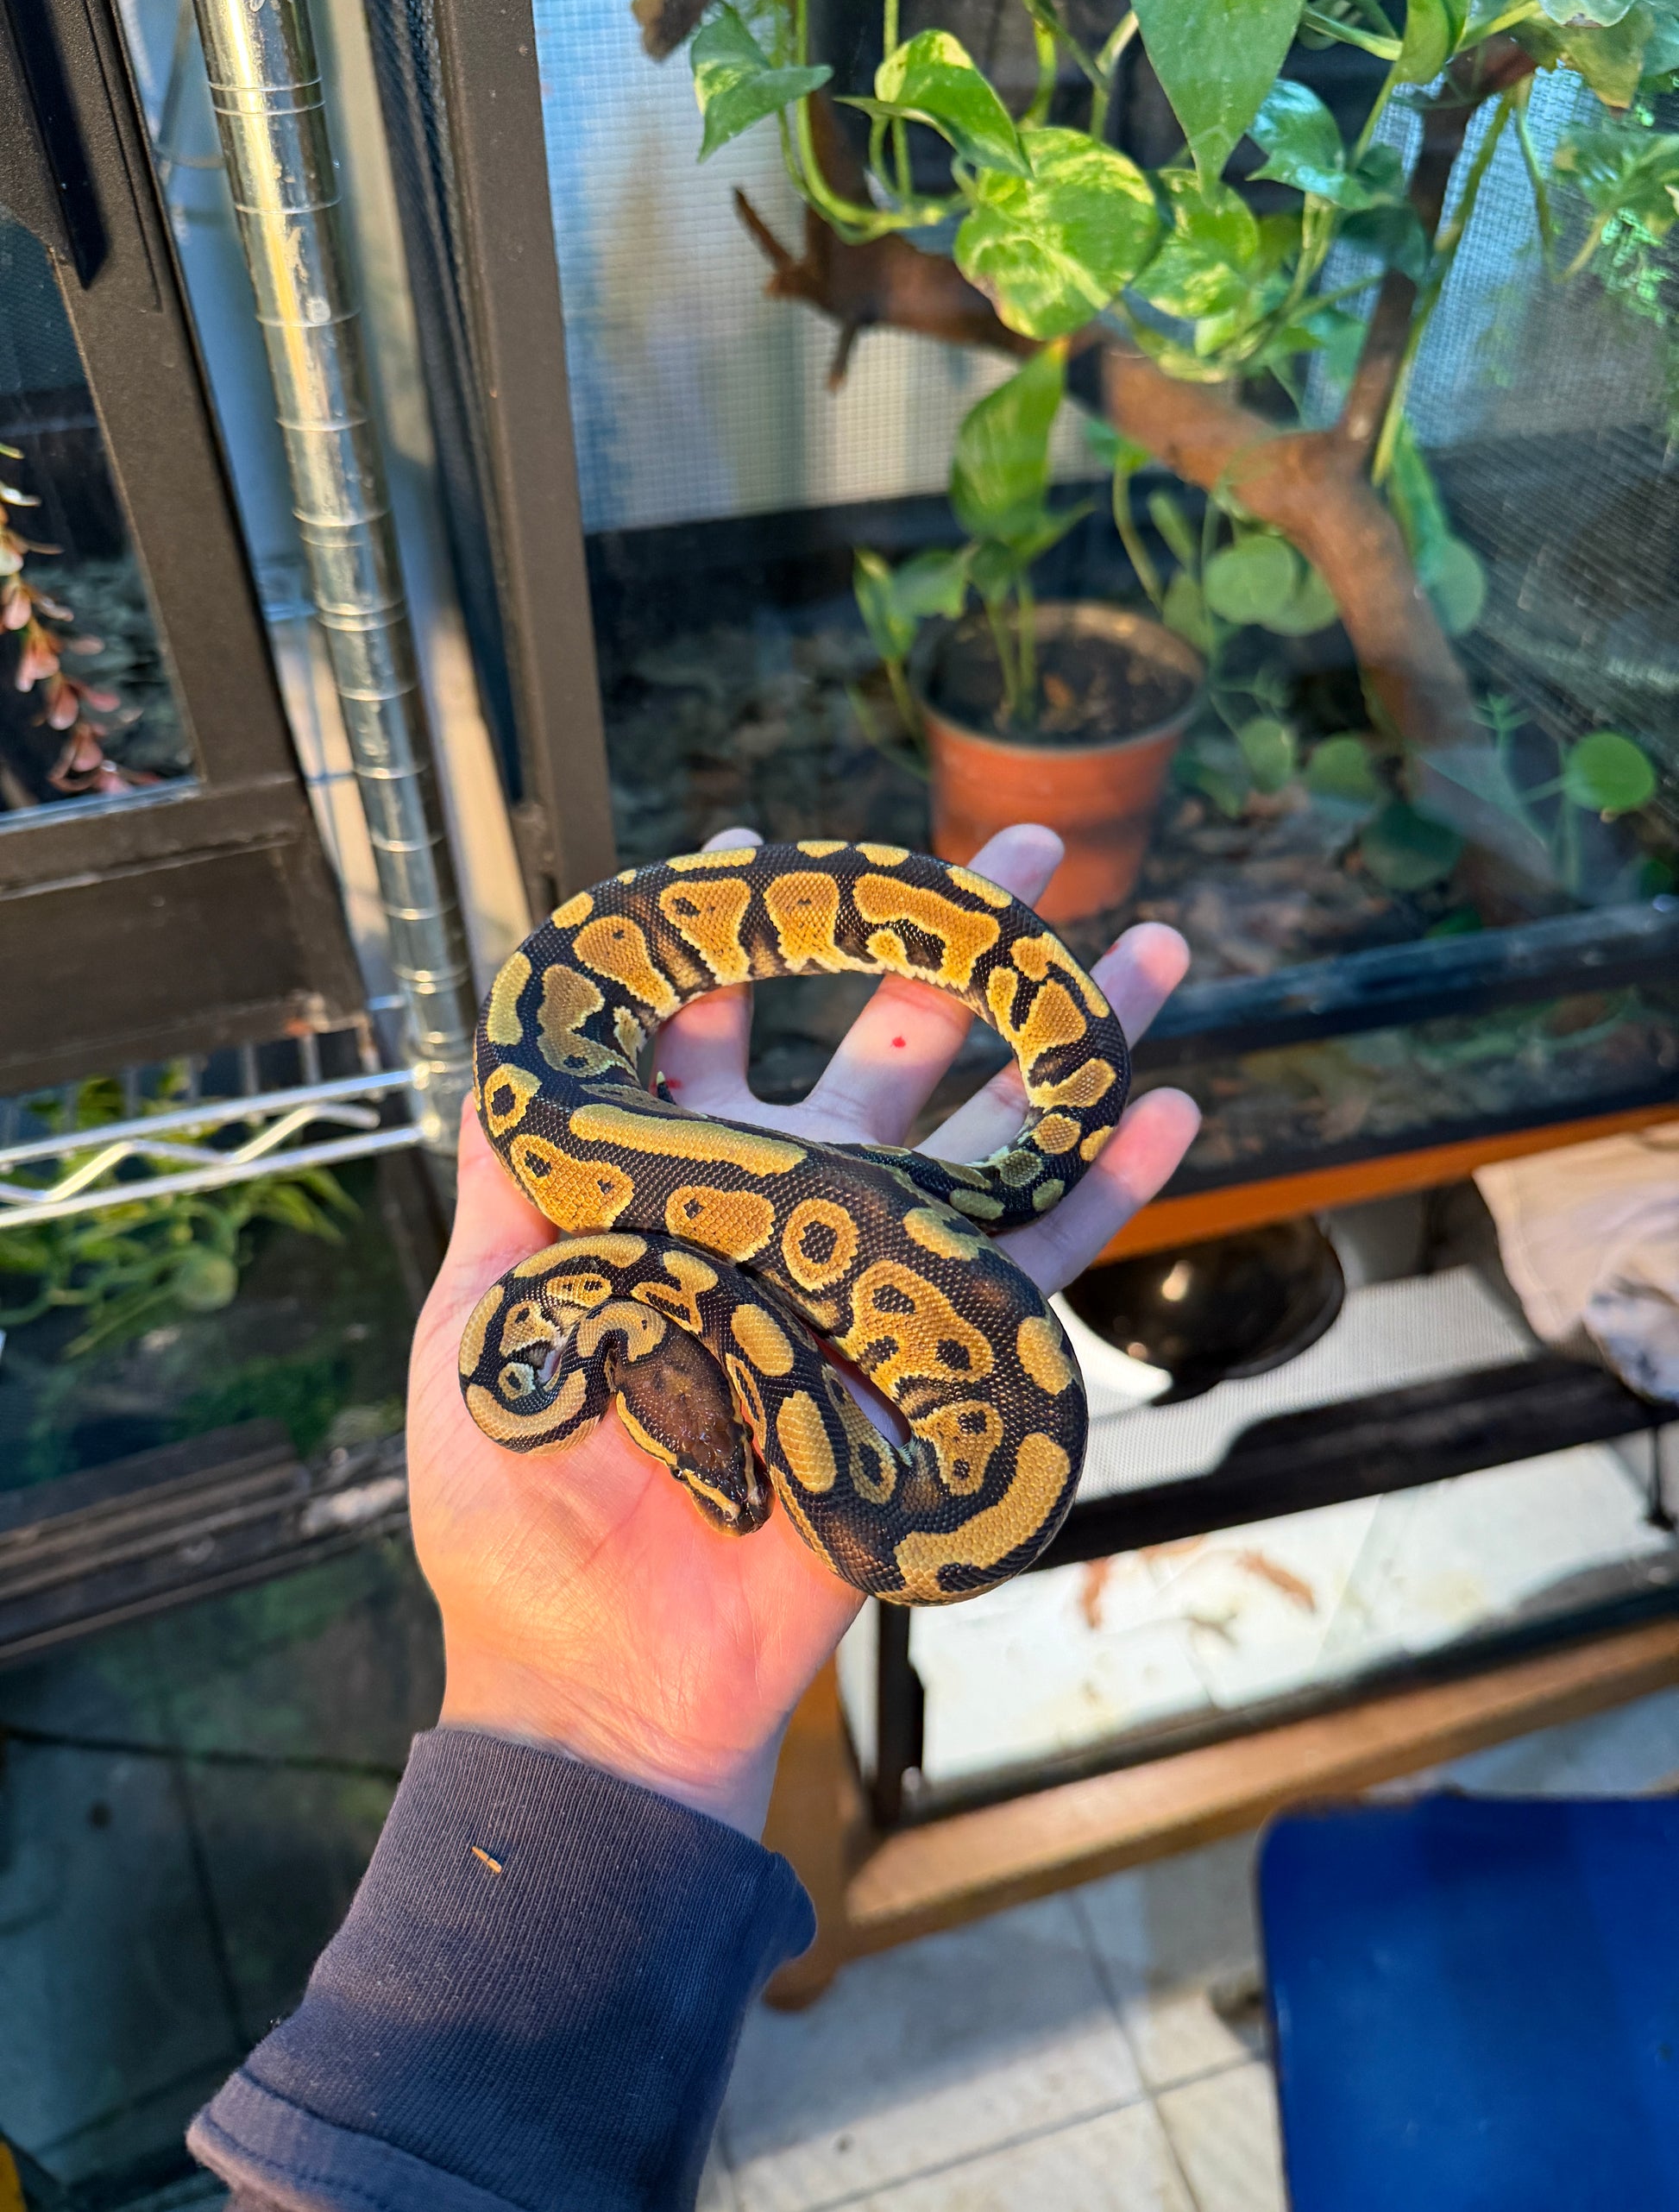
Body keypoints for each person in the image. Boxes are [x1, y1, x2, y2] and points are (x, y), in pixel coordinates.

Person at [187, 825, 1199, 2212]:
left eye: (724, 1458)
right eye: (725, 1460)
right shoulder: (621, 1334)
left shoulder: (610, 1314)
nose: (736, 1493)